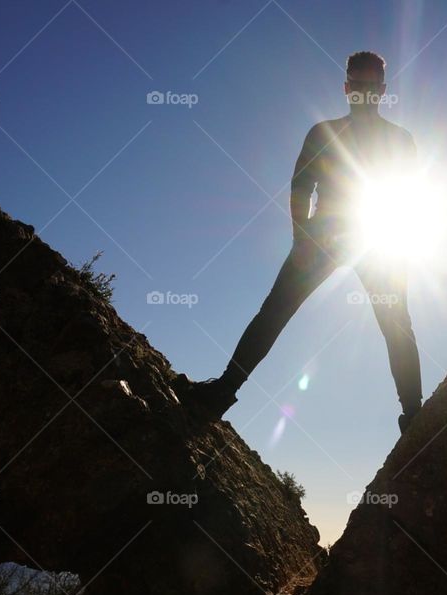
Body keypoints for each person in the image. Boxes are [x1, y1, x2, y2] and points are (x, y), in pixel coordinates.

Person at [180, 51, 423, 434]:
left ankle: (415, 416)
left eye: (371, 87)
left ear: (383, 90)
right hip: (322, 236)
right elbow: (300, 186)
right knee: (274, 312)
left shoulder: (400, 140)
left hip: (378, 240)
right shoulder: (323, 132)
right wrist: (302, 238)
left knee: (397, 326)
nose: (363, 93)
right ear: (346, 88)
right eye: (356, 86)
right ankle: (222, 393)